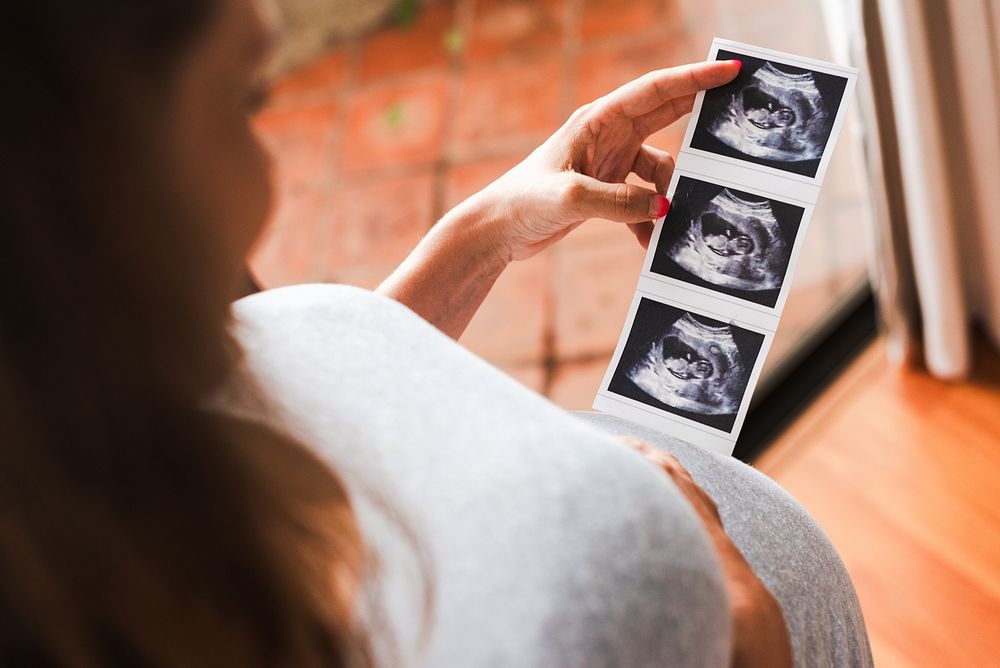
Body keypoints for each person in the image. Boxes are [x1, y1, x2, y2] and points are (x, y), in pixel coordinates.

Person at [0, 0, 872, 666]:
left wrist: (485, 232)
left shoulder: (88, 438)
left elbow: (331, 407)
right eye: (245, 98)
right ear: (94, 178)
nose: (268, 175)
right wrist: (748, 624)